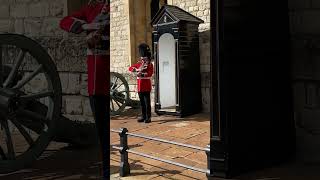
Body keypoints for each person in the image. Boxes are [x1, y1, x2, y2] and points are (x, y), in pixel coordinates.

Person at [59, 0, 109, 178]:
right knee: (103, 132)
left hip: (105, 79)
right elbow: (64, 21)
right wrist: (85, 27)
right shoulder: (91, 8)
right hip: (96, 83)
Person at [129, 43, 154, 123]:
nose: (143, 60)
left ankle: (148, 117)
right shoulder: (139, 64)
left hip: (146, 85)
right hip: (139, 86)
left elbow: (150, 73)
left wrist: (142, 74)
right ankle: (143, 116)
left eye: (144, 58)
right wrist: (135, 70)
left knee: (147, 103)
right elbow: (130, 68)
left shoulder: (149, 65)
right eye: (142, 58)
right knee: (142, 103)